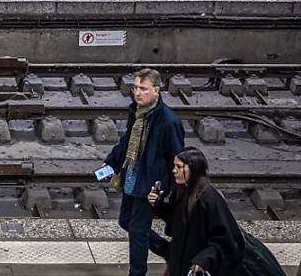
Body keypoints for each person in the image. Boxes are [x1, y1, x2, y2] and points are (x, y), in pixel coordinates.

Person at [104, 68, 185, 276]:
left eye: (143, 88)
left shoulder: (169, 122)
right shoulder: (137, 112)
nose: (138, 93)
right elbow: (126, 142)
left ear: (156, 90)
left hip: (149, 185)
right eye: (135, 88)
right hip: (131, 178)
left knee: (138, 231)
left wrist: (165, 190)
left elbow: (177, 160)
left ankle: (137, 273)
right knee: (125, 222)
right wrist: (109, 166)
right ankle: (168, 251)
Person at [148, 148, 244, 276]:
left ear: (193, 169)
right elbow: (175, 220)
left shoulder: (209, 199)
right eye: (174, 166)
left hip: (198, 267)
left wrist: (204, 260)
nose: (174, 171)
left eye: (179, 166)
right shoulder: (180, 192)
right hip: (179, 264)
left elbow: (225, 240)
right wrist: (158, 204)